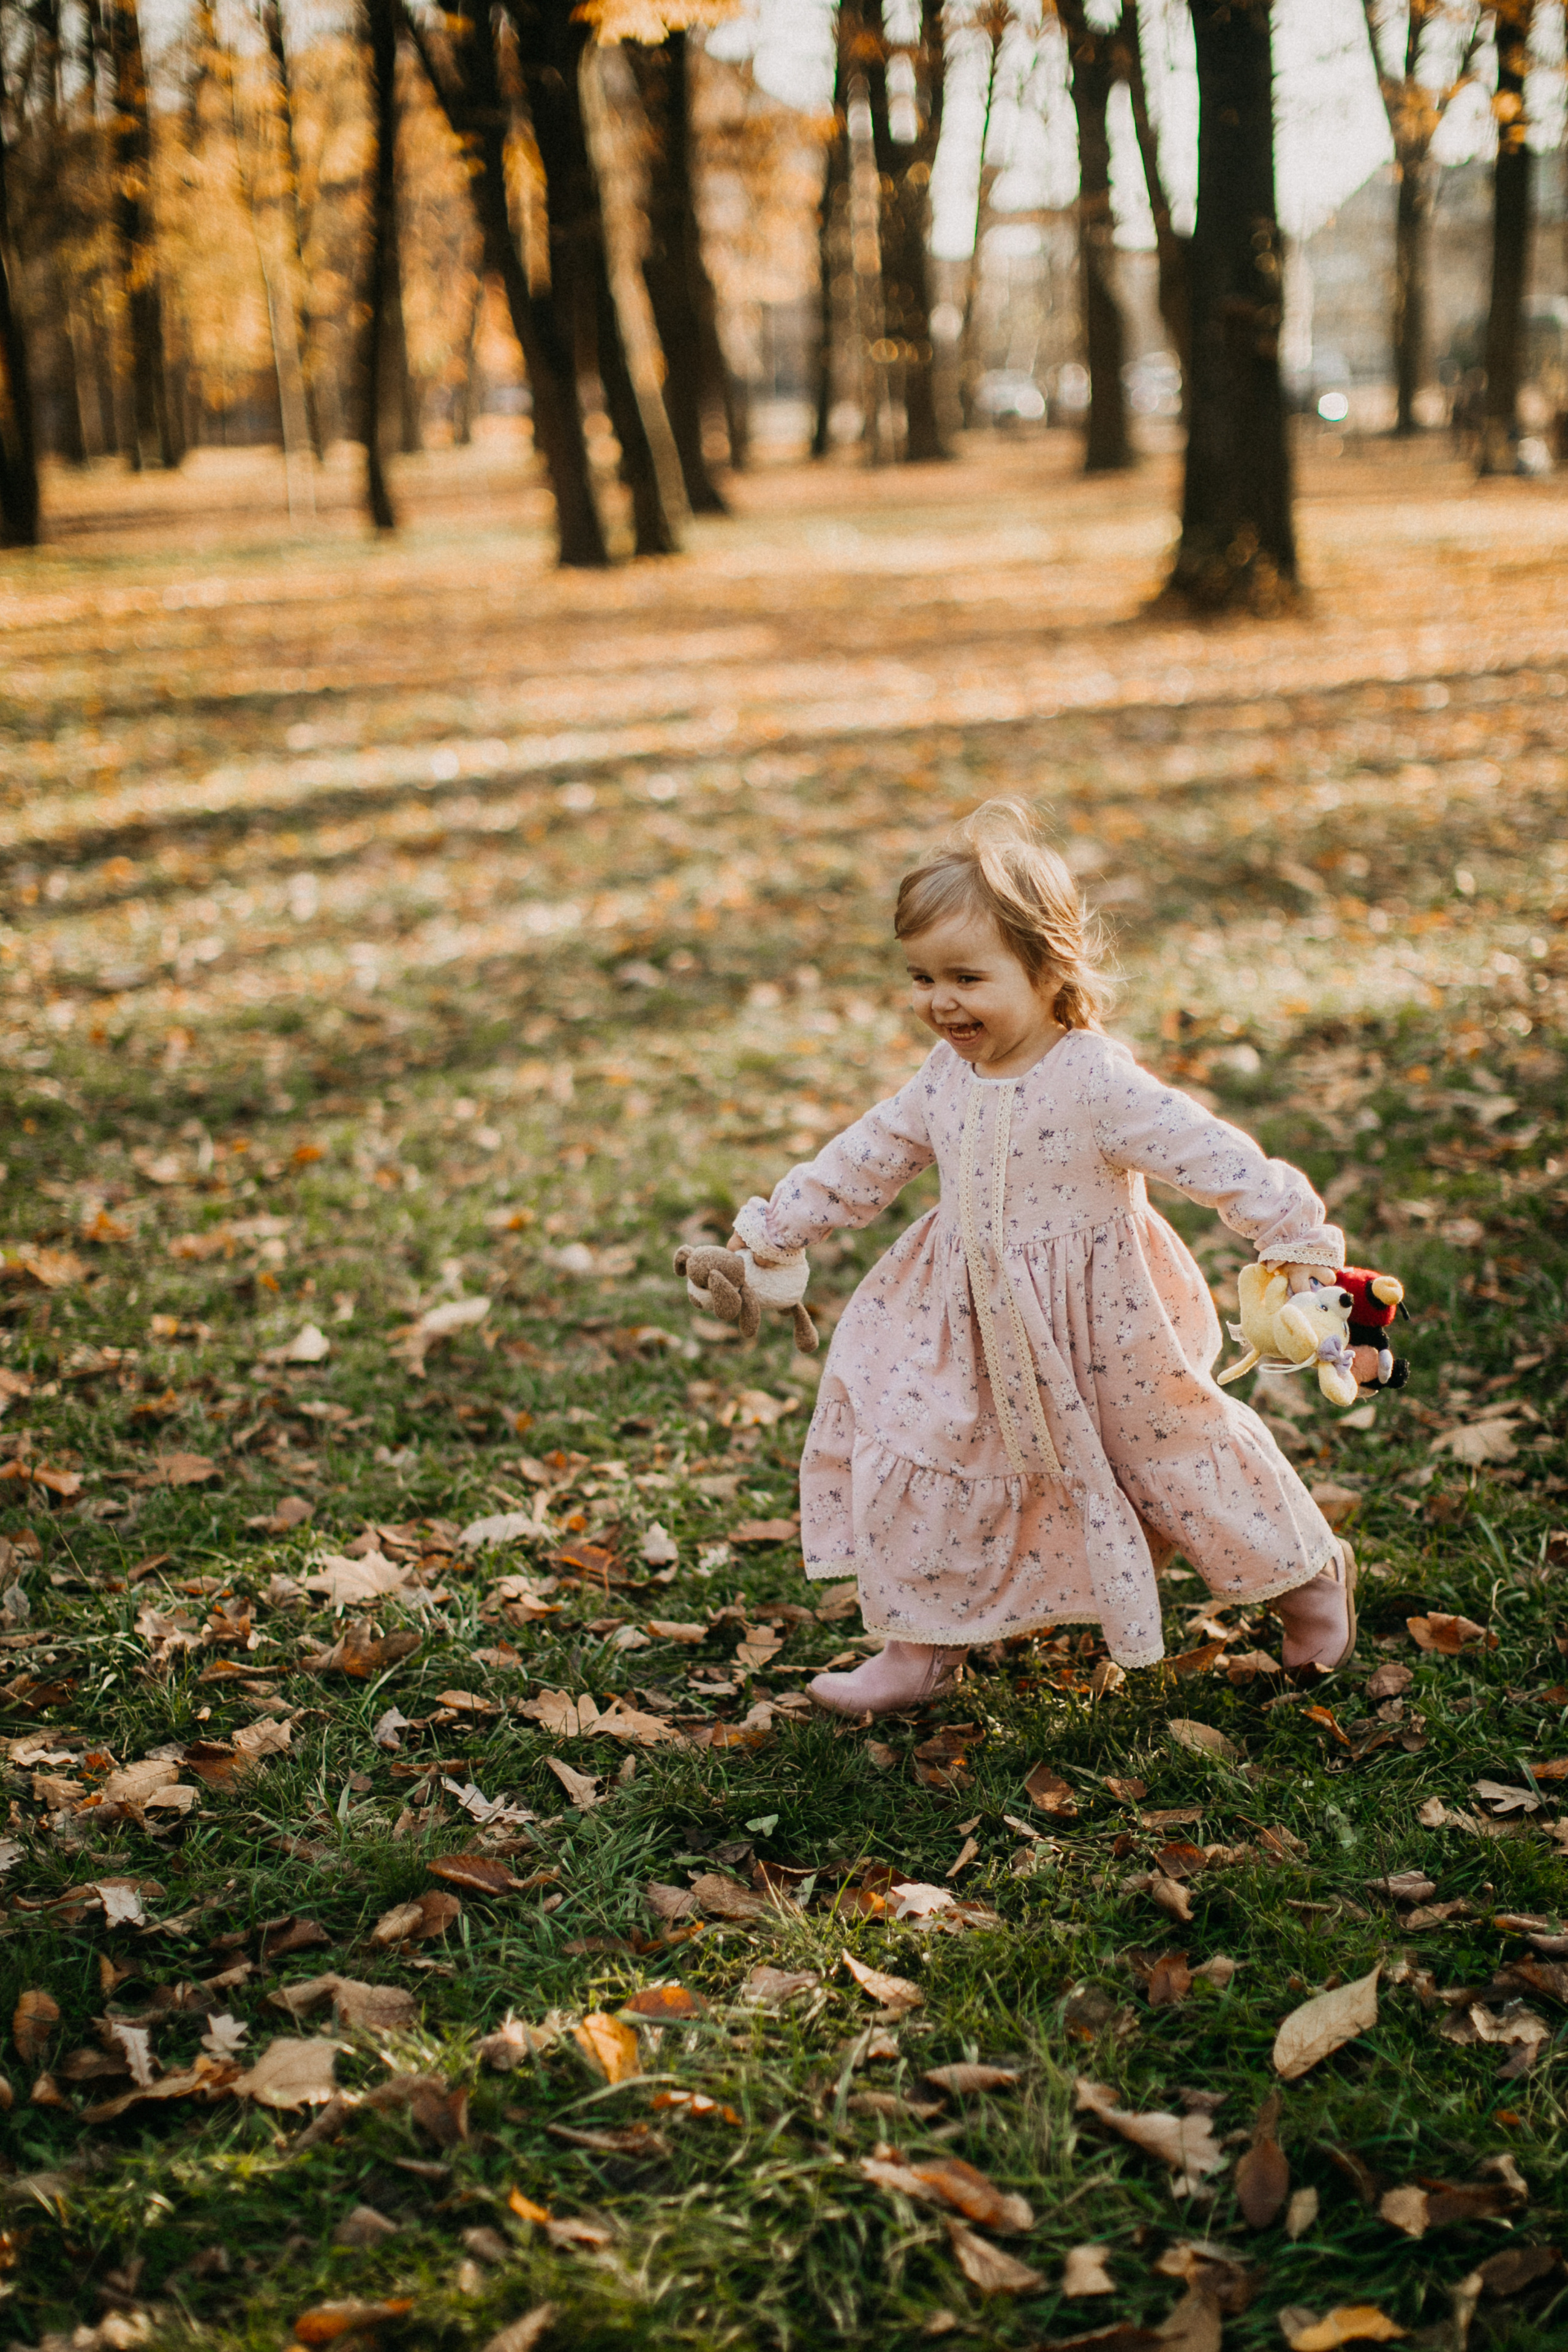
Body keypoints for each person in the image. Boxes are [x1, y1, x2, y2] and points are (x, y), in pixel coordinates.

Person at [716, 799, 1369, 1716]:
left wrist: (1293, 1240)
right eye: (922, 977)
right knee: (936, 1454)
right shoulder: (943, 1077)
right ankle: (920, 1647)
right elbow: (865, 1157)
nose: (940, 1002)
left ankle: (1306, 1581)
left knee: (1175, 1457)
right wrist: (776, 1230)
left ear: (1047, 967)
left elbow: (1212, 1154)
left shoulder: (1094, 1079)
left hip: (1104, 1328)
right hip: (970, 1322)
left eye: (967, 977)